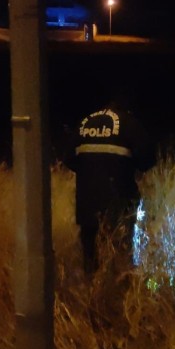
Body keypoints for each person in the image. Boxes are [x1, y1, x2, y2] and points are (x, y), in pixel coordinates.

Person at [64, 95, 155, 275]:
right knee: (119, 258)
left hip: (87, 207)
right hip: (119, 206)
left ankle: (92, 290)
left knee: (91, 261)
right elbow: (148, 160)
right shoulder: (129, 124)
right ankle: (118, 290)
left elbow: (69, 159)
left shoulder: (85, 123)